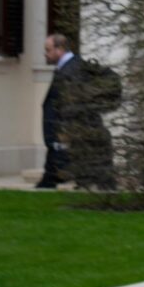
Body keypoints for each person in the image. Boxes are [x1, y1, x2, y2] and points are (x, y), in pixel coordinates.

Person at [39, 32, 119, 190]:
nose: (45, 54)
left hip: (77, 131)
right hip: (80, 131)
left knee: (99, 175)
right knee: (95, 175)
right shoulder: (76, 66)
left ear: (59, 49)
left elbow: (69, 105)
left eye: (48, 50)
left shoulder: (71, 71)